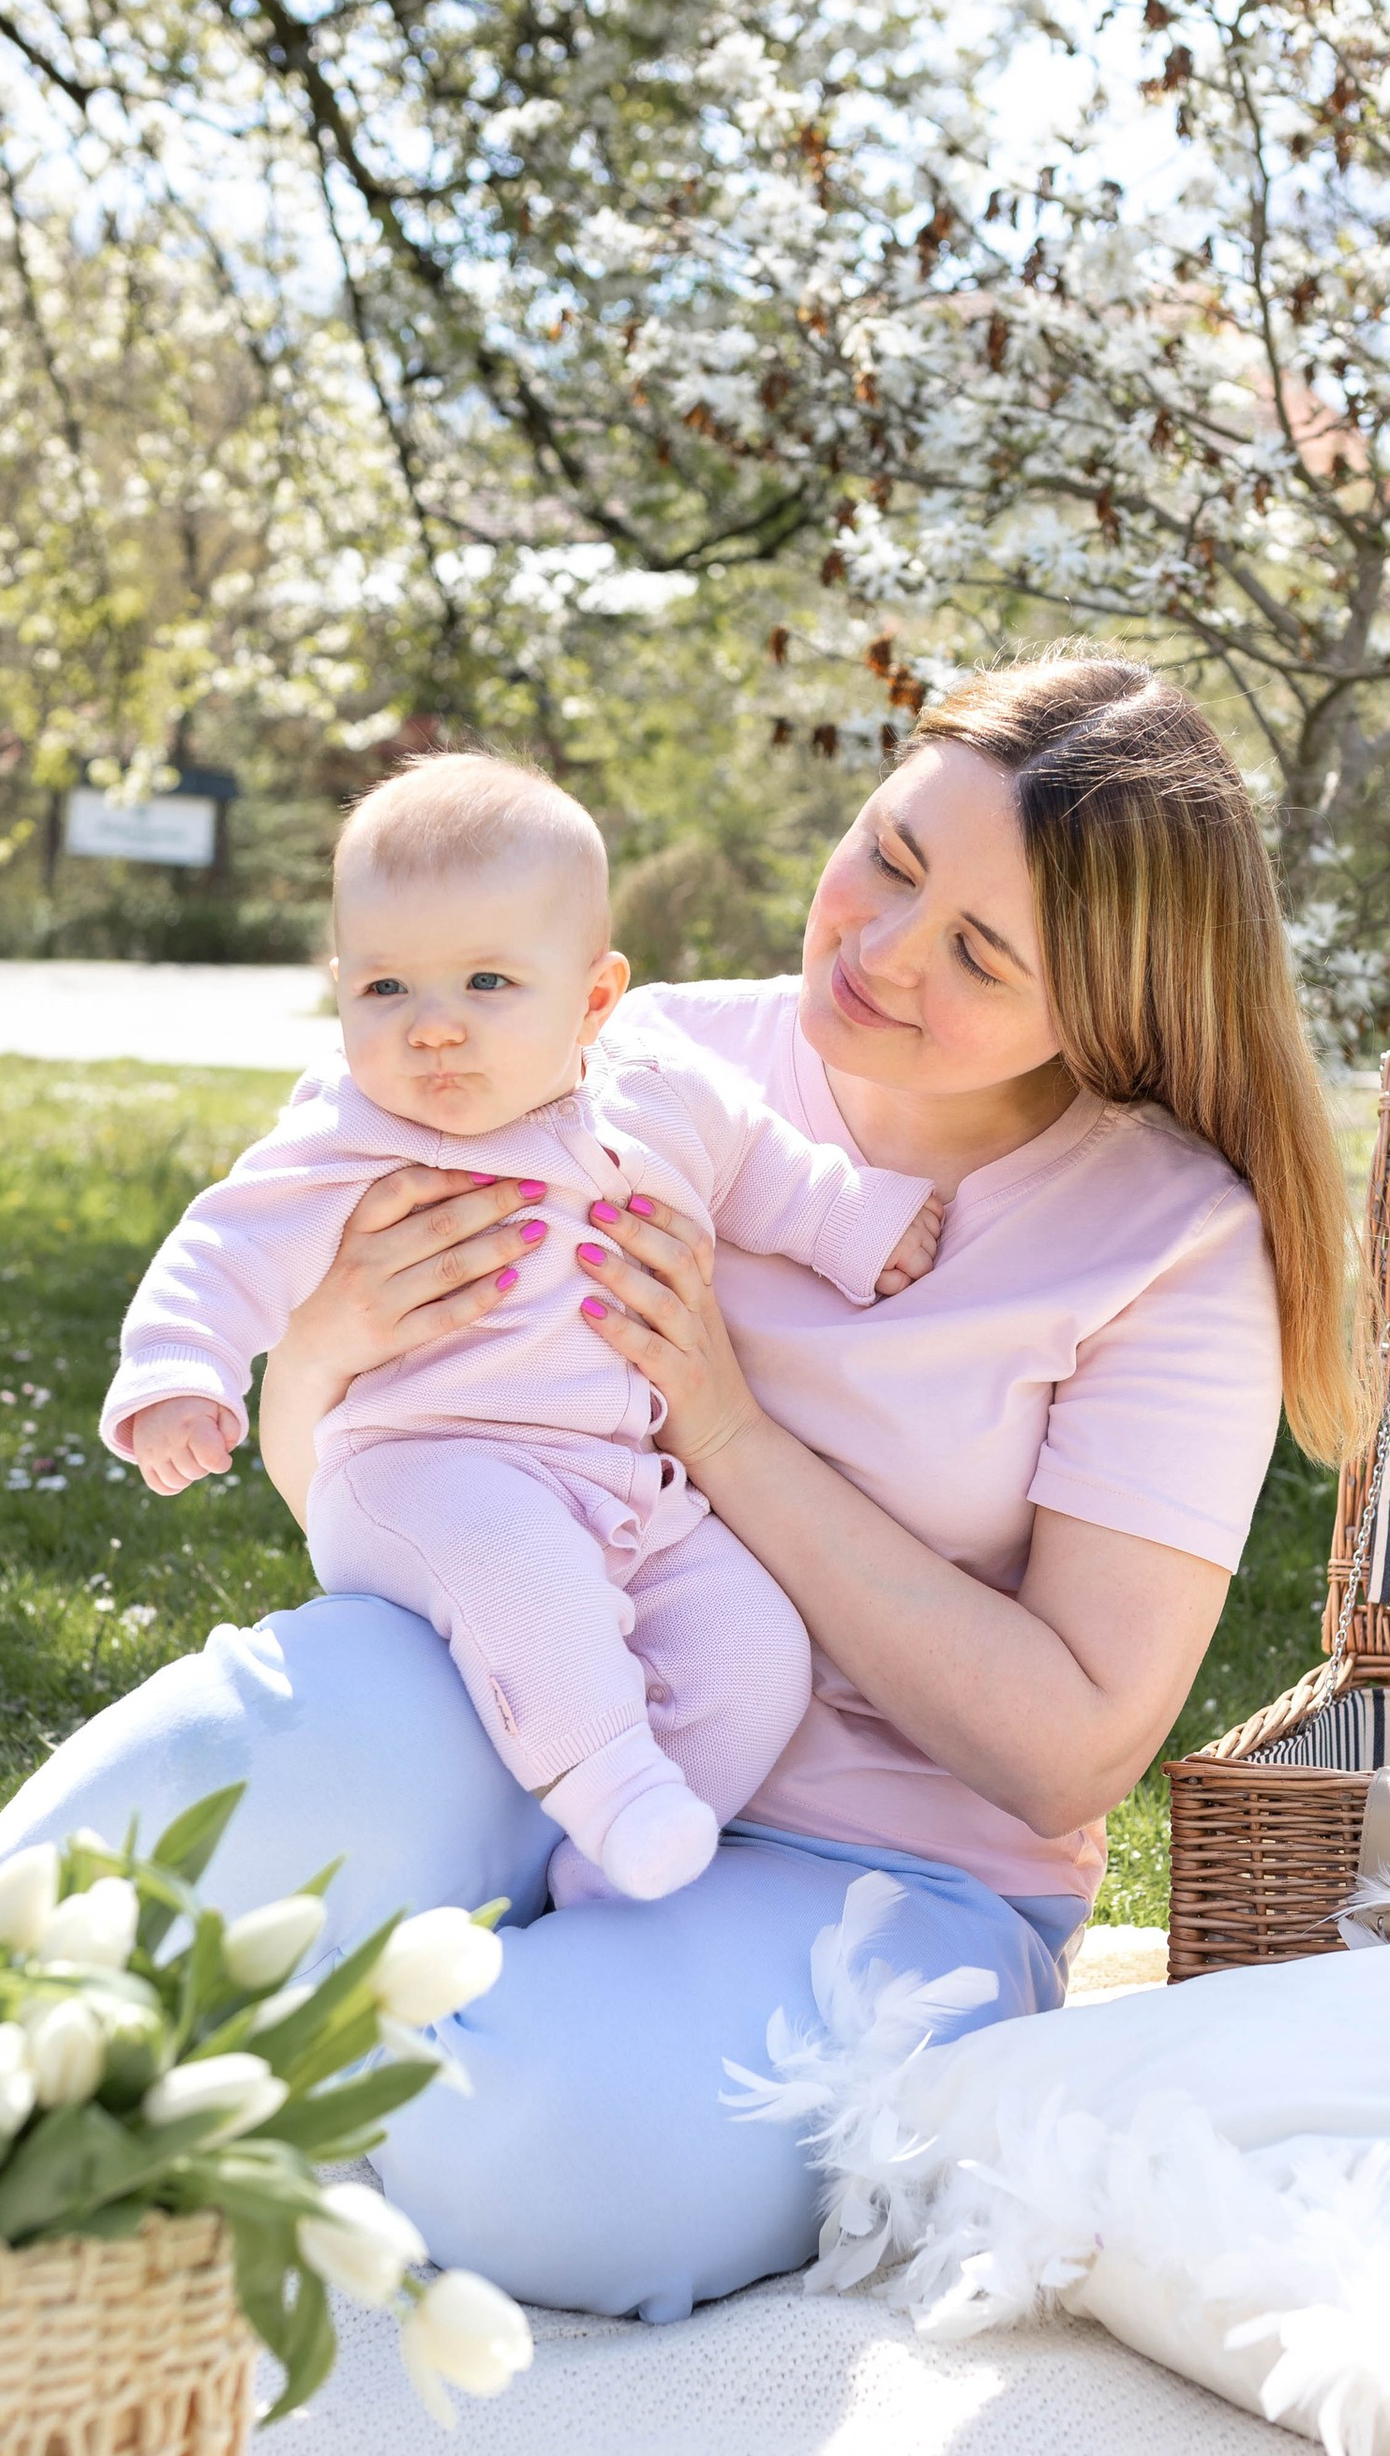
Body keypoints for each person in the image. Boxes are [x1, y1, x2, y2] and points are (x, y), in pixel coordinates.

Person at [0, 654, 1363, 2322]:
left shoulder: (1168, 1242)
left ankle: (359, 2044)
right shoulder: (638, 1051)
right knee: (220, 1784)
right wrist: (321, 1346)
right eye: (889, 858)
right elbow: (383, 1504)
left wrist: (730, 1432)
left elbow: (1073, 1745)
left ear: (1104, 1001)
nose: (883, 951)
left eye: (979, 951)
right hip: (528, 1699)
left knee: (525, 2143)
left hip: (881, 1869)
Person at [105, 750, 941, 1903]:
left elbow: (766, 1170)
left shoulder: (660, 1091)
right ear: (339, 987)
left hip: (622, 1485)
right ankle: (607, 1785)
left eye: (486, 984)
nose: (432, 1031)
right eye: (386, 991)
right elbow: (226, 1242)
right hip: (420, 1473)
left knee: (753, 1651)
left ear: (594, 998)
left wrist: (856, 1225)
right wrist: (180, 1367)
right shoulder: (348, 1130)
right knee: (521, 1566)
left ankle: (618, 1858)